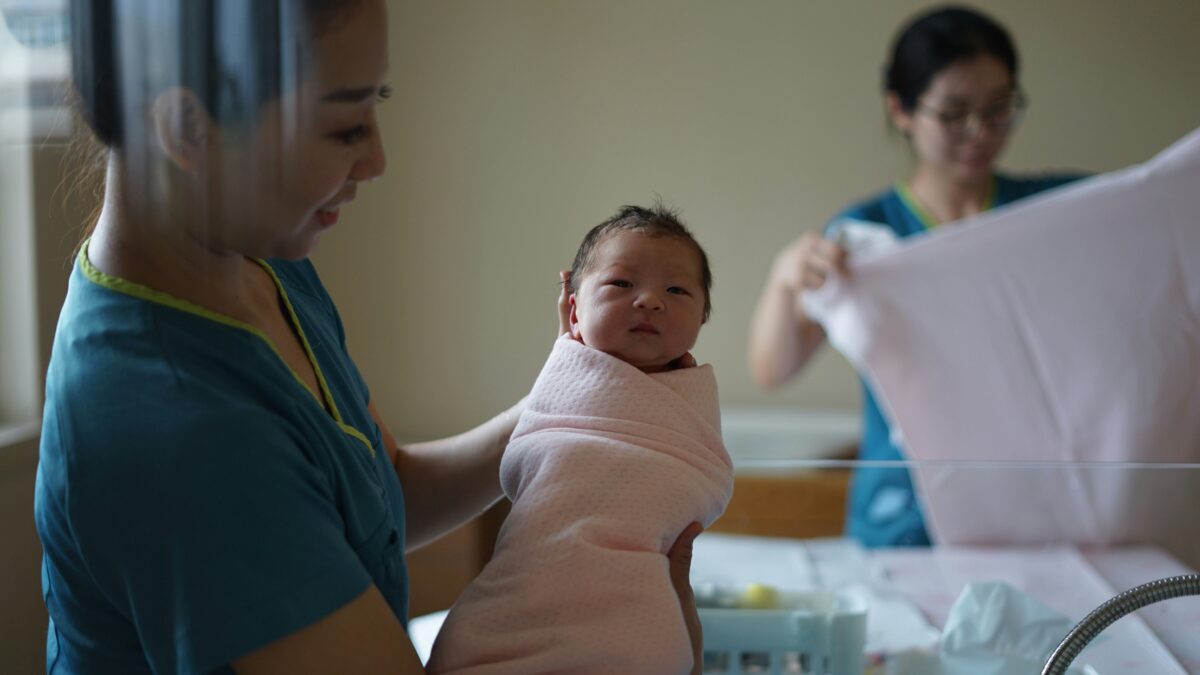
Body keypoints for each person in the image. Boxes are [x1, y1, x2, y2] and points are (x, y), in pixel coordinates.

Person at [34, 2, 702, 673]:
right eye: (344, 124)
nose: (377, 159)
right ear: (187, 127)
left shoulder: (253, 259)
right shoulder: (180, 428)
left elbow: (380, 497)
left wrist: (586, 399)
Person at [747, 5, 1084, 548]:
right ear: (901, 109)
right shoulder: (863, 235)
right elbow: (773, 369)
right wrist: (784, 280)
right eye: (954, 113)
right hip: (901, 516)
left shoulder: (1055, 214)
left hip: (1035, 515)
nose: (979, 132)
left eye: (999, 109)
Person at [427, 205, 732, 674]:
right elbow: (533, 452)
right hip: (518, 616)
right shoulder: (560, 392)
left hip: (637, 631)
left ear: (703, 317)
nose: (650, 299)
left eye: (676, 289)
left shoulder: (690, 411)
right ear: (573, 308)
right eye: (621, 284)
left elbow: (698, 484)